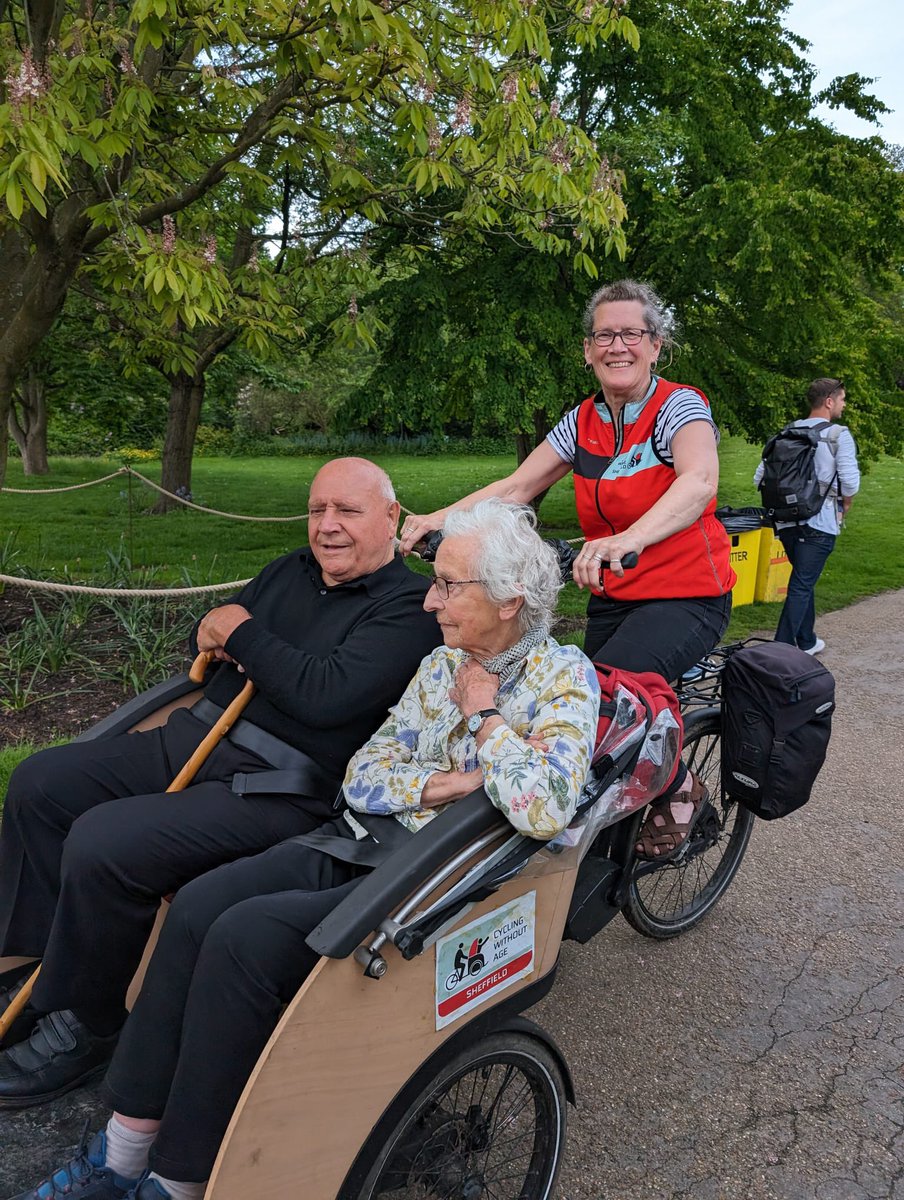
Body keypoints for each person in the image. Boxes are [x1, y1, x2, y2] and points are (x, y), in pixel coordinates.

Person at [8, 499, 600, 1200]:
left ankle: (177, 1180)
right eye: (435, 581)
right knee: (200, 905)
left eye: (448, 585)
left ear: (510, 601)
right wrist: (452, 783)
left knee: (244, 938)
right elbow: (364, 777)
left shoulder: (565, 678)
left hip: (429, 879)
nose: (430, 600)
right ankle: (124, 1151)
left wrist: (484, 714)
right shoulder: (442, 664)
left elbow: (542, 804)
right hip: (360, 843)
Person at [0, 457, 442, 1107]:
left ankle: (87, 1026)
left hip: (277, 786)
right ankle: (46, 970)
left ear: (392, 518)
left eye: (347, 511)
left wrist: (247, 637)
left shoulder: (409, 608)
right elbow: (205, 639)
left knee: (103, 842)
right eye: (318, 510)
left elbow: (325, 695)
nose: (327, 527)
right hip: (195, 736)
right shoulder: (289, 572)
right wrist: (232, 636)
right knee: (41, 783)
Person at [400, 279, 736, 858]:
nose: (618, 346)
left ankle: (682, 789)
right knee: (578, 701)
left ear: (656, 346)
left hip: (687, 594)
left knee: (611, 704)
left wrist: (626, 539)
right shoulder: (581, 422)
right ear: (588, 350)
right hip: (614, 592)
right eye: (605, 335)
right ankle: (590, 822)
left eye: (632, 333)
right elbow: (517, 487)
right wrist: (439, 518)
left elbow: (698, 480)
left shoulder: (679, 406)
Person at [754, 378, 860, 655]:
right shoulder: (838, 435)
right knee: (802, 583)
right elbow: (850, 482)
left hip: (786, 520)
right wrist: (846, 500)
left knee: (804, 578)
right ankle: (780, 649)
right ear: (829, 401)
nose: (843, 404)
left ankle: (807, 641)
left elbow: (759, 477)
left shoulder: (786, 433)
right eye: (842, 399)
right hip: (820, 521)